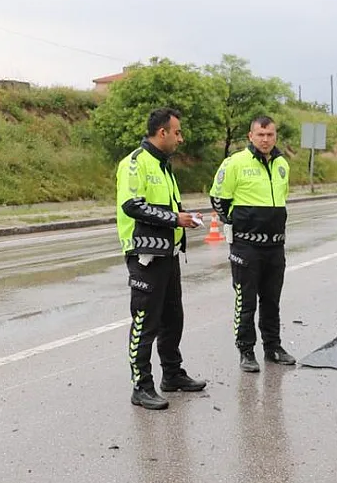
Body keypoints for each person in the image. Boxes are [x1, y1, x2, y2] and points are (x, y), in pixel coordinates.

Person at [115, 107, 207, 411]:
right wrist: (175, 219)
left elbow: (167, 208)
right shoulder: (134, 163)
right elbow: (132, 205)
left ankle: (172, 373)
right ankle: (141, 386)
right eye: (177, 132)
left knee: (173, 319)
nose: (181, 138)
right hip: (145, 255)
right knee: (145, 322)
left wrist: (185, 217)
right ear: (162, 132)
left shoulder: (164, 166)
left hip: (167, 254)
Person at [210, 116, 295, 374]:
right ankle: (246, 350)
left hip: (275, 246)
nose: (265, 139)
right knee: (246, 300)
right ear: (250, 136)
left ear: (275, 136)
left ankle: (273, 347)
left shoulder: (282, 164)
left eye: (270, 134)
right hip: (246, 247)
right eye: (260, 134)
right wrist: (238, 224)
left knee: (272, 300)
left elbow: (282, 198)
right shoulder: (235, 162)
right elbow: (218, 199)